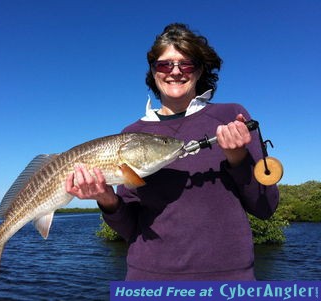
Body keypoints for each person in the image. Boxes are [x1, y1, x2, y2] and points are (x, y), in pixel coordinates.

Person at [66, 23, 279, 280]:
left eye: (186, 64)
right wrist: (107, 200)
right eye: (165, 64)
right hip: (146, 280)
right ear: (154, 72)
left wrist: (238, 159)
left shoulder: (231, 116)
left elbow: (265, 207)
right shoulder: (131, 134)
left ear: (200, 70)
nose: (175, 72)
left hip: (229, 280)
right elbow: (130, 228)